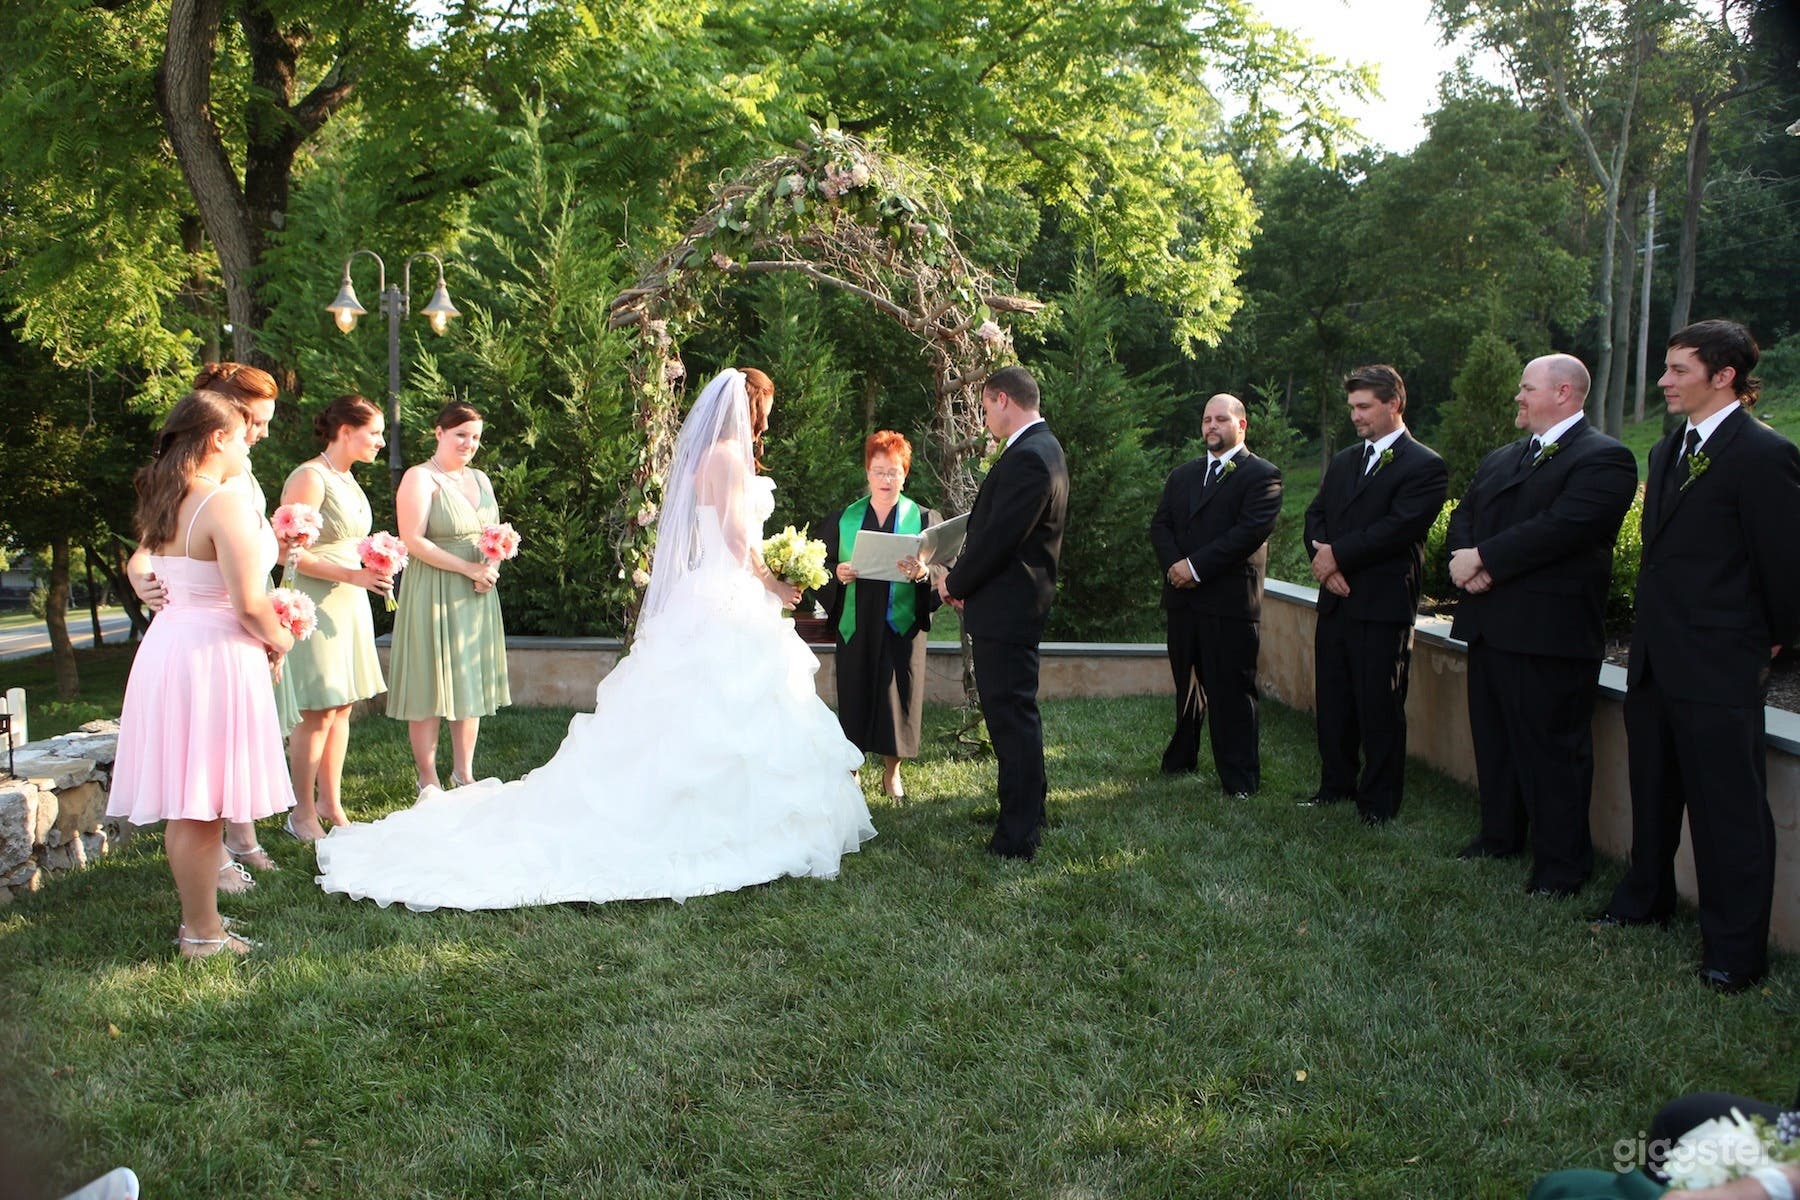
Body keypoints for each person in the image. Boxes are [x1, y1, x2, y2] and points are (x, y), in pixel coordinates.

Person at [314, 368, 875, 909]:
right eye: (766, 411)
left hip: (711, 593)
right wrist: (773, 579)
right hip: (729, 590)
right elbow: (732, 534)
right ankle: (728, 824)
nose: (767, 423)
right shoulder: (729, 456)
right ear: (751, 405)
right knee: (730, 705)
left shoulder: (710, 455)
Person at [1594, 320, 1800, 993]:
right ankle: (1645, 900)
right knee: (1653, 793)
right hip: (1655, 657)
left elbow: (1784, 566)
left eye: (1678, 369)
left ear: (1724, 376)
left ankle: (1735, 952)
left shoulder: (1763, 454)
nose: (1663, 381)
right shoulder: (1667, 450)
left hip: (1718, 664)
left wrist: (1759, 641)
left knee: (1728, 811)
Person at [107, 389, 295, 958]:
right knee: (202, 803)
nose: (247, 446)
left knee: (192, 799)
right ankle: (201, 932)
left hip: (170, 647)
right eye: (242, 435)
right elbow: (248, 602)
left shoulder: (167, 495)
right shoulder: (224, 503)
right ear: (217, 438)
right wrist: (283, 638)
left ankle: (201, 923)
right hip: (213, 654)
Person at [1445, 354, 1637, 896]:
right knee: (1497, 740)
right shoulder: (1503, 457)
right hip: (1489, 624)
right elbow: (1466, 514)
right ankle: (1500, 834)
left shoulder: (1605, 459)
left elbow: (1563, 528)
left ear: (1565, 393)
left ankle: (1561, 866)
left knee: (1553, 752)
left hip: (1549, 633)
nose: (1518, 398)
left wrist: (1483, 558)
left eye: (1527, 389)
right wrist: (1466, 559)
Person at [1301, 364, 1448, 826]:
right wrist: (1325, 566)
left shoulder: (1425, 465)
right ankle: (1334, 785)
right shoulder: (1345, 460)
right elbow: (1315, 516)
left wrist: (1336, 557)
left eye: (1363, 407)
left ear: (1394, 404)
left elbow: (1398, 528)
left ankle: (1379, 802)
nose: (1355, 416)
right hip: (1337, 599)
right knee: (1335, 700)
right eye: (1352, 407)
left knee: (1379, 705)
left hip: (1383, 605)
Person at [938, 365, 1069, 860]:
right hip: (1007, 602)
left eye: (986, 406)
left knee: (1011, 719)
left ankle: (1017, 835)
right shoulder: (1041, 449)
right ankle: (1028, 811)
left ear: (1002, 400)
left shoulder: (1031, 457)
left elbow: (999, 539)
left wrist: (956, 581)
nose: (985, 417)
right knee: (1014, 717)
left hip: (1009, 608)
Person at [1148, 393, 1283, 797]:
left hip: (1229, 603)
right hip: (1182, 600)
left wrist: (1194, 567)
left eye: (1221, 419)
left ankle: (1240, 779)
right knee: (1186, 685)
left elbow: (1248, 533)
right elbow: (1161, 525)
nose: (1211, 426)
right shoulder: (1183, 475)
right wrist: (1176, 566)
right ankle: (1181, 758)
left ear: (1242, 425)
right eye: (1206, 419)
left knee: (1231, 692)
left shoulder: (1262, 475)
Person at [277, 394, 392, 841]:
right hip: (315, 601)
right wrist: (352, 573)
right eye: (375, 432)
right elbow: (289, 555)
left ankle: (331, 801)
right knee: (316, 710)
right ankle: (301, 812)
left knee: (342, 706)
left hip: (349, 599)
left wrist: (373, 564)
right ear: (345, 430)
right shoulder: (310, 476)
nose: (381, 442)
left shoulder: (347, 479)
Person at [386, 401, 511, 792]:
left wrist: (490, 568)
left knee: (467, 678)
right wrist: (468, 568)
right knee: (429, 680)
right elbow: (413, 540)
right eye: (460, 435)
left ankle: (464, 772)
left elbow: (495, 535)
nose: (468, 444)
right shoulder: (420, 478)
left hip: (476, 590)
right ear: (438, 432)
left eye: (474, 437)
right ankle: (428, 779)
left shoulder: (481, 479)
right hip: (434, 588)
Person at [819, 429, 943, 799]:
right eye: (879, 471)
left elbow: (945, 568)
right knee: (855, 692)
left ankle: (892, 773)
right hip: (857, 621)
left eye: (894, 471)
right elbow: (819, 565)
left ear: (905, 474)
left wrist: (923, 574)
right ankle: (853, 768)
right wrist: (837, 574)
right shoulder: (845, 518)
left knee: (898, 694)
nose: (886, 480)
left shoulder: (922, 518)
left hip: (899, 622)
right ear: (867, 473)